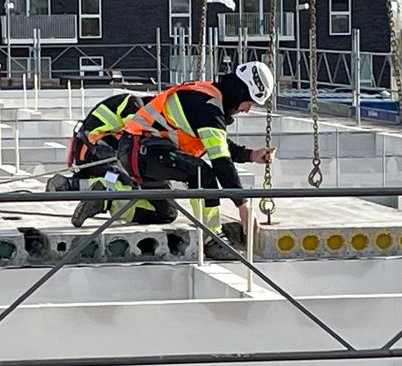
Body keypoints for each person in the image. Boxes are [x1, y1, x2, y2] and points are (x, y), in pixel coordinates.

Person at [71, 61, 276, 259]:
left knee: (165, 212)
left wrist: (251, 155)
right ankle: (211, 238)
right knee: (201, 172)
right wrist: (242, 204)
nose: (247, 109)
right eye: (250, 102)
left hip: (143, 152)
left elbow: (217, 143)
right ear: (240, 92)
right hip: (142, 150)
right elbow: (220, 160)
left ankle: (107, 200)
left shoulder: (207, 101)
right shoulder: (208, 106)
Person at [46, 92, 178, 227]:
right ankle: (105, 198)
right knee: (126, 180)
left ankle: (68, 184)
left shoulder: (129, 103)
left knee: (124, 181)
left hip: (92, 155)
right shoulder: (134, 105)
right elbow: (139, 138)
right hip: (98, 154)